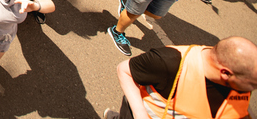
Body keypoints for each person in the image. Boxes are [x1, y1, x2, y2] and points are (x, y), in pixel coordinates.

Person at [103, 36, 257, 119]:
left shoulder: (242, 80)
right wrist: (140, 115)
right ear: (225, 73)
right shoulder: (169, 62)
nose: (253, 89)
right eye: (253, 84)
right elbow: (124, 70)